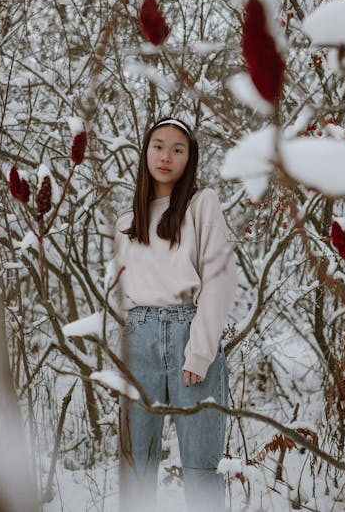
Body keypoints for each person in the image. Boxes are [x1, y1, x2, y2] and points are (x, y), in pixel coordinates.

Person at [113, 117, 238, 512]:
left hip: (189, 333)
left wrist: (200, 351)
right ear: (146, 151)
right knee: (135, 466)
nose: (166, 156)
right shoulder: (126, 223)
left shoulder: (202, 204)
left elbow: (219, 280)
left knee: (201, 468)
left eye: (178, 149)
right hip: (138, 340)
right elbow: (118, 295)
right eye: (158, 146)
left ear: (190, 158)